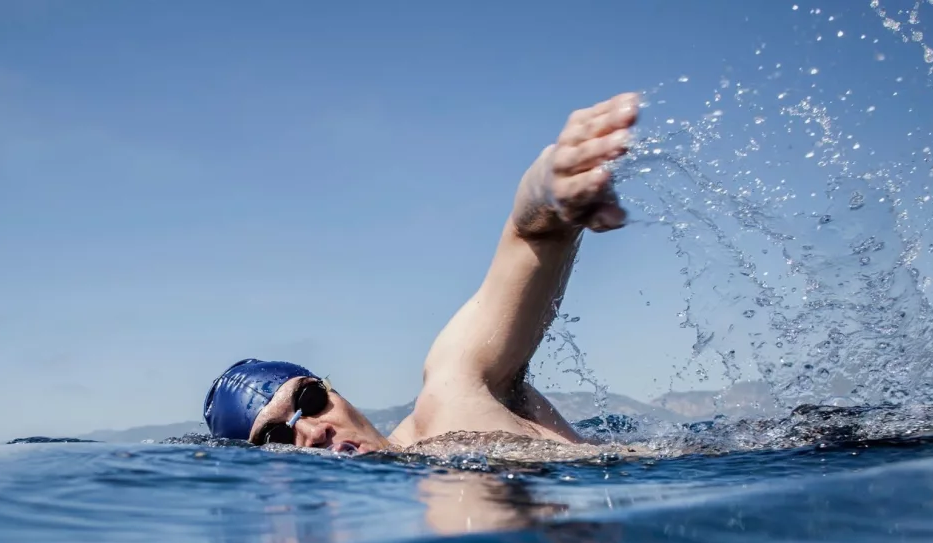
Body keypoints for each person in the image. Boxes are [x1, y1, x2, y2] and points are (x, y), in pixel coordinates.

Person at [202, 92, 640, 454]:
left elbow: (531, 236)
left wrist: (551, 190)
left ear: (334, 391)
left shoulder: (455, 401)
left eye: (311, 401)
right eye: (278, 437)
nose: (315, 432)